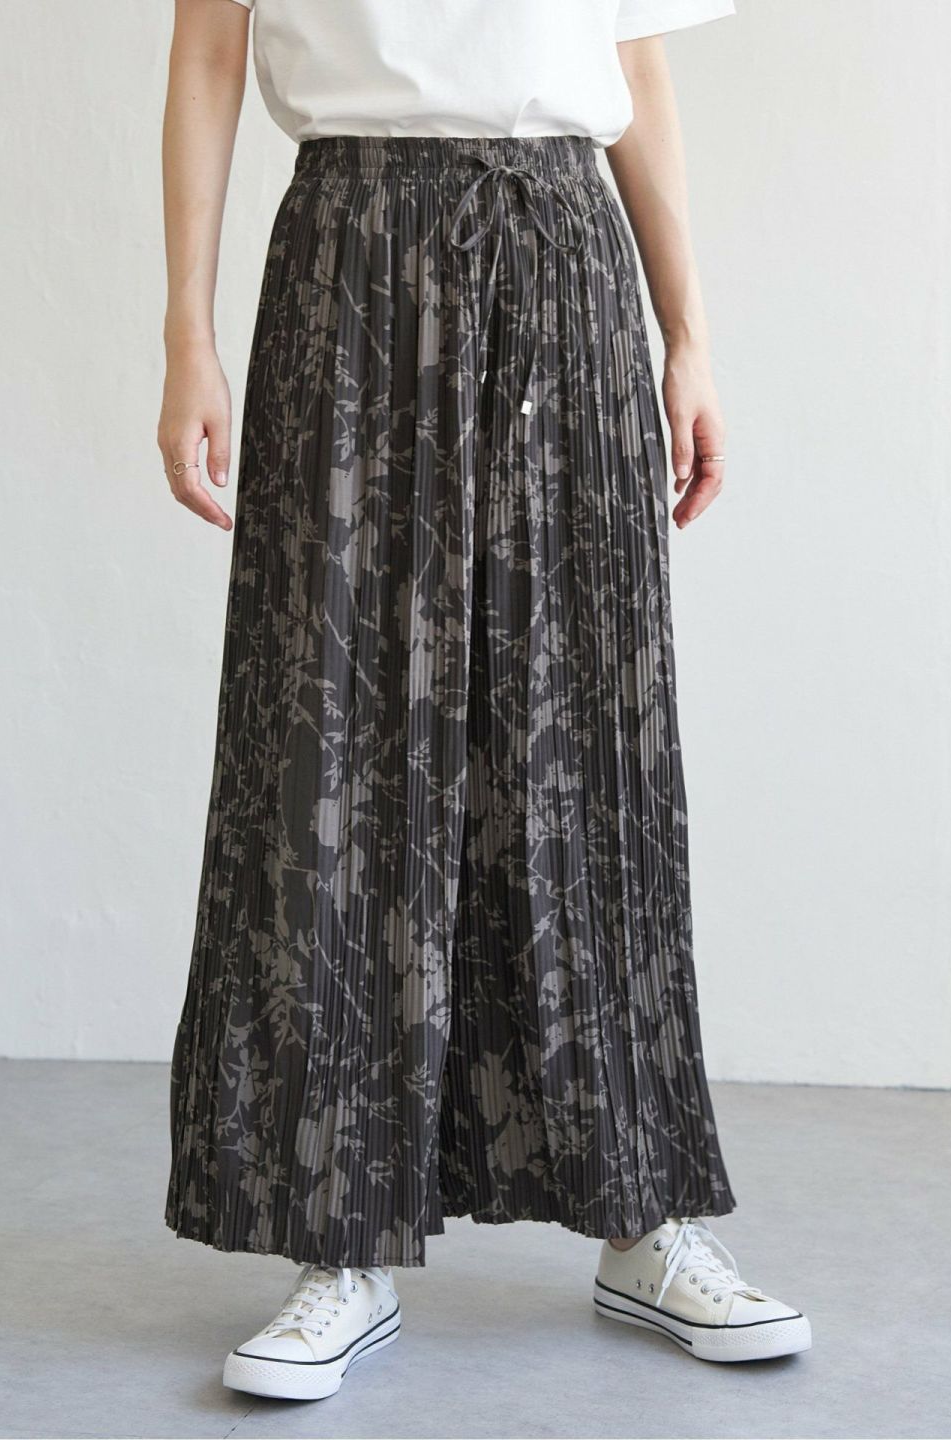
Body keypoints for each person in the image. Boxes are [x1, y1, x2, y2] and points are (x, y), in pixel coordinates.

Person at [158, 0, 810, 1402]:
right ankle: (338, 1235)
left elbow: (632, 55)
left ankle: (643, 1212)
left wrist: (689, 334)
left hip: (566, 251)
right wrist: (185, 334)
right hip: (352, 251)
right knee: (335, 736)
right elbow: (209, 45)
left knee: (589, 734)